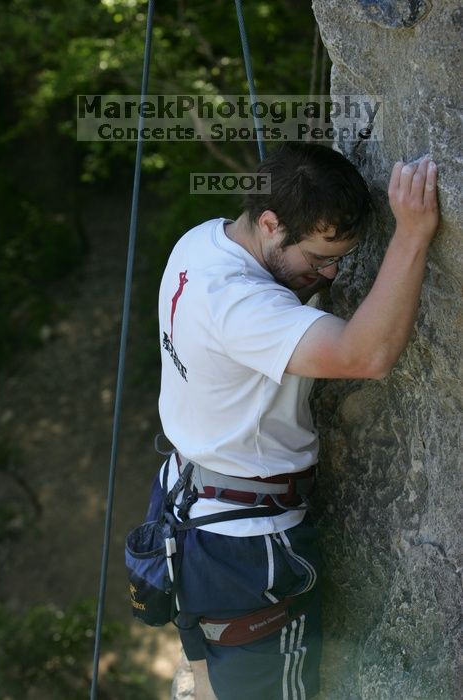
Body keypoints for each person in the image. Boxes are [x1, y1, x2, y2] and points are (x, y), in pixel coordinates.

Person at [152, 143, 439, 699]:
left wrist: (308, 273)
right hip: (245, 546)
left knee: (214, 680)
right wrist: (412, 234)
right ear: (269, 223)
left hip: (186, 508)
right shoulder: (240, 304)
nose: (329, 272)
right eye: (318, 258)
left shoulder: (201, 242)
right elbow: (366, 355)